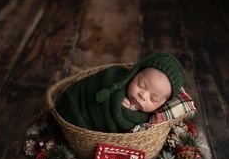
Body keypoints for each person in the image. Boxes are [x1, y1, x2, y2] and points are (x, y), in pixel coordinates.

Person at [56, 52, 184, 133]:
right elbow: (94, 88)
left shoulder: (153, 121)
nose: (143, 95)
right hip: (77, 106)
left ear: (164, 103)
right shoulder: (116, 77)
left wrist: (128, 112)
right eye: (141, 85)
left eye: (154, 99)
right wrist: (116, 101)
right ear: (135, 73)